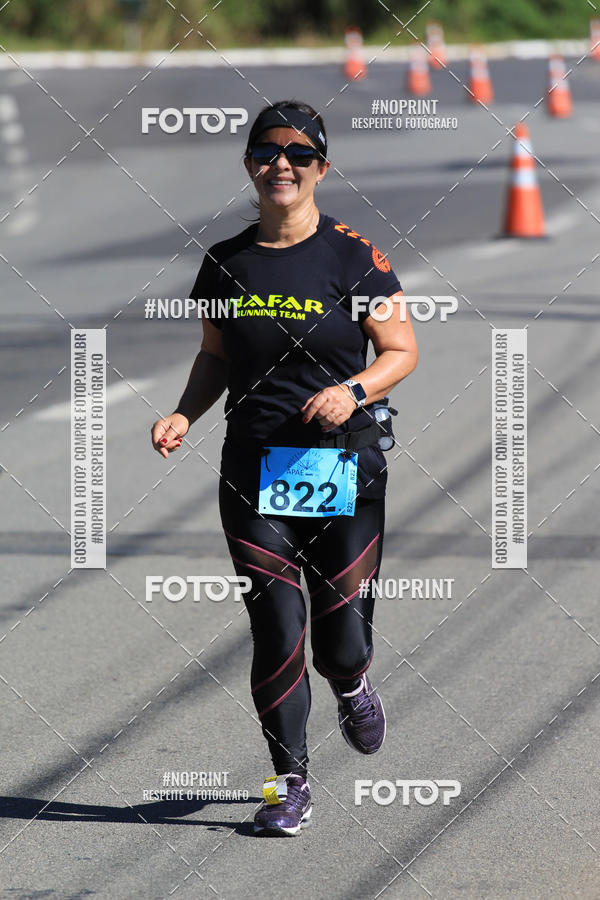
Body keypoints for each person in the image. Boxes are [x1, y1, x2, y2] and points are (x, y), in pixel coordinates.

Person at [151, 100, 418, 836]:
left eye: (299, 155)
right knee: (275, 628)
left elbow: (401, 351)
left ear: (321, 169)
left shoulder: (353, 257)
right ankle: (290, 782)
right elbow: (214, 355)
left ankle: (353, 681)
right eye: (268, 152)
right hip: (253, 469)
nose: (282, 165)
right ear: (248, 164)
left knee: (340, 644)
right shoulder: (225, 264)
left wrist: (352, 390)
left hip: (344, 466)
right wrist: (183, 414)